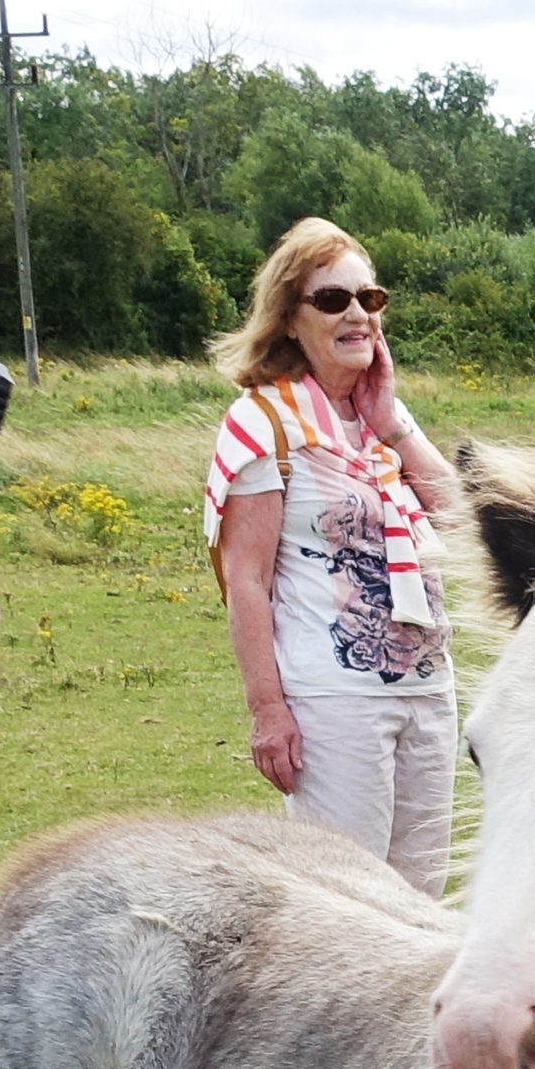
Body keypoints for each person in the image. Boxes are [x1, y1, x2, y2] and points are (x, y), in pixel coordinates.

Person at [206, 216, 470, 889]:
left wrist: (393, 423)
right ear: (291, 319)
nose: (357, 314)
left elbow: (465, 522)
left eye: (369, 298)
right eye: (333, 299)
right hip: (335, 696)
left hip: (427, 686)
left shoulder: (380, 418)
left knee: (420, 903)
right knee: (345, 902)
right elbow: (245, 579)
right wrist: (268, 710)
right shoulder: (264, 419)